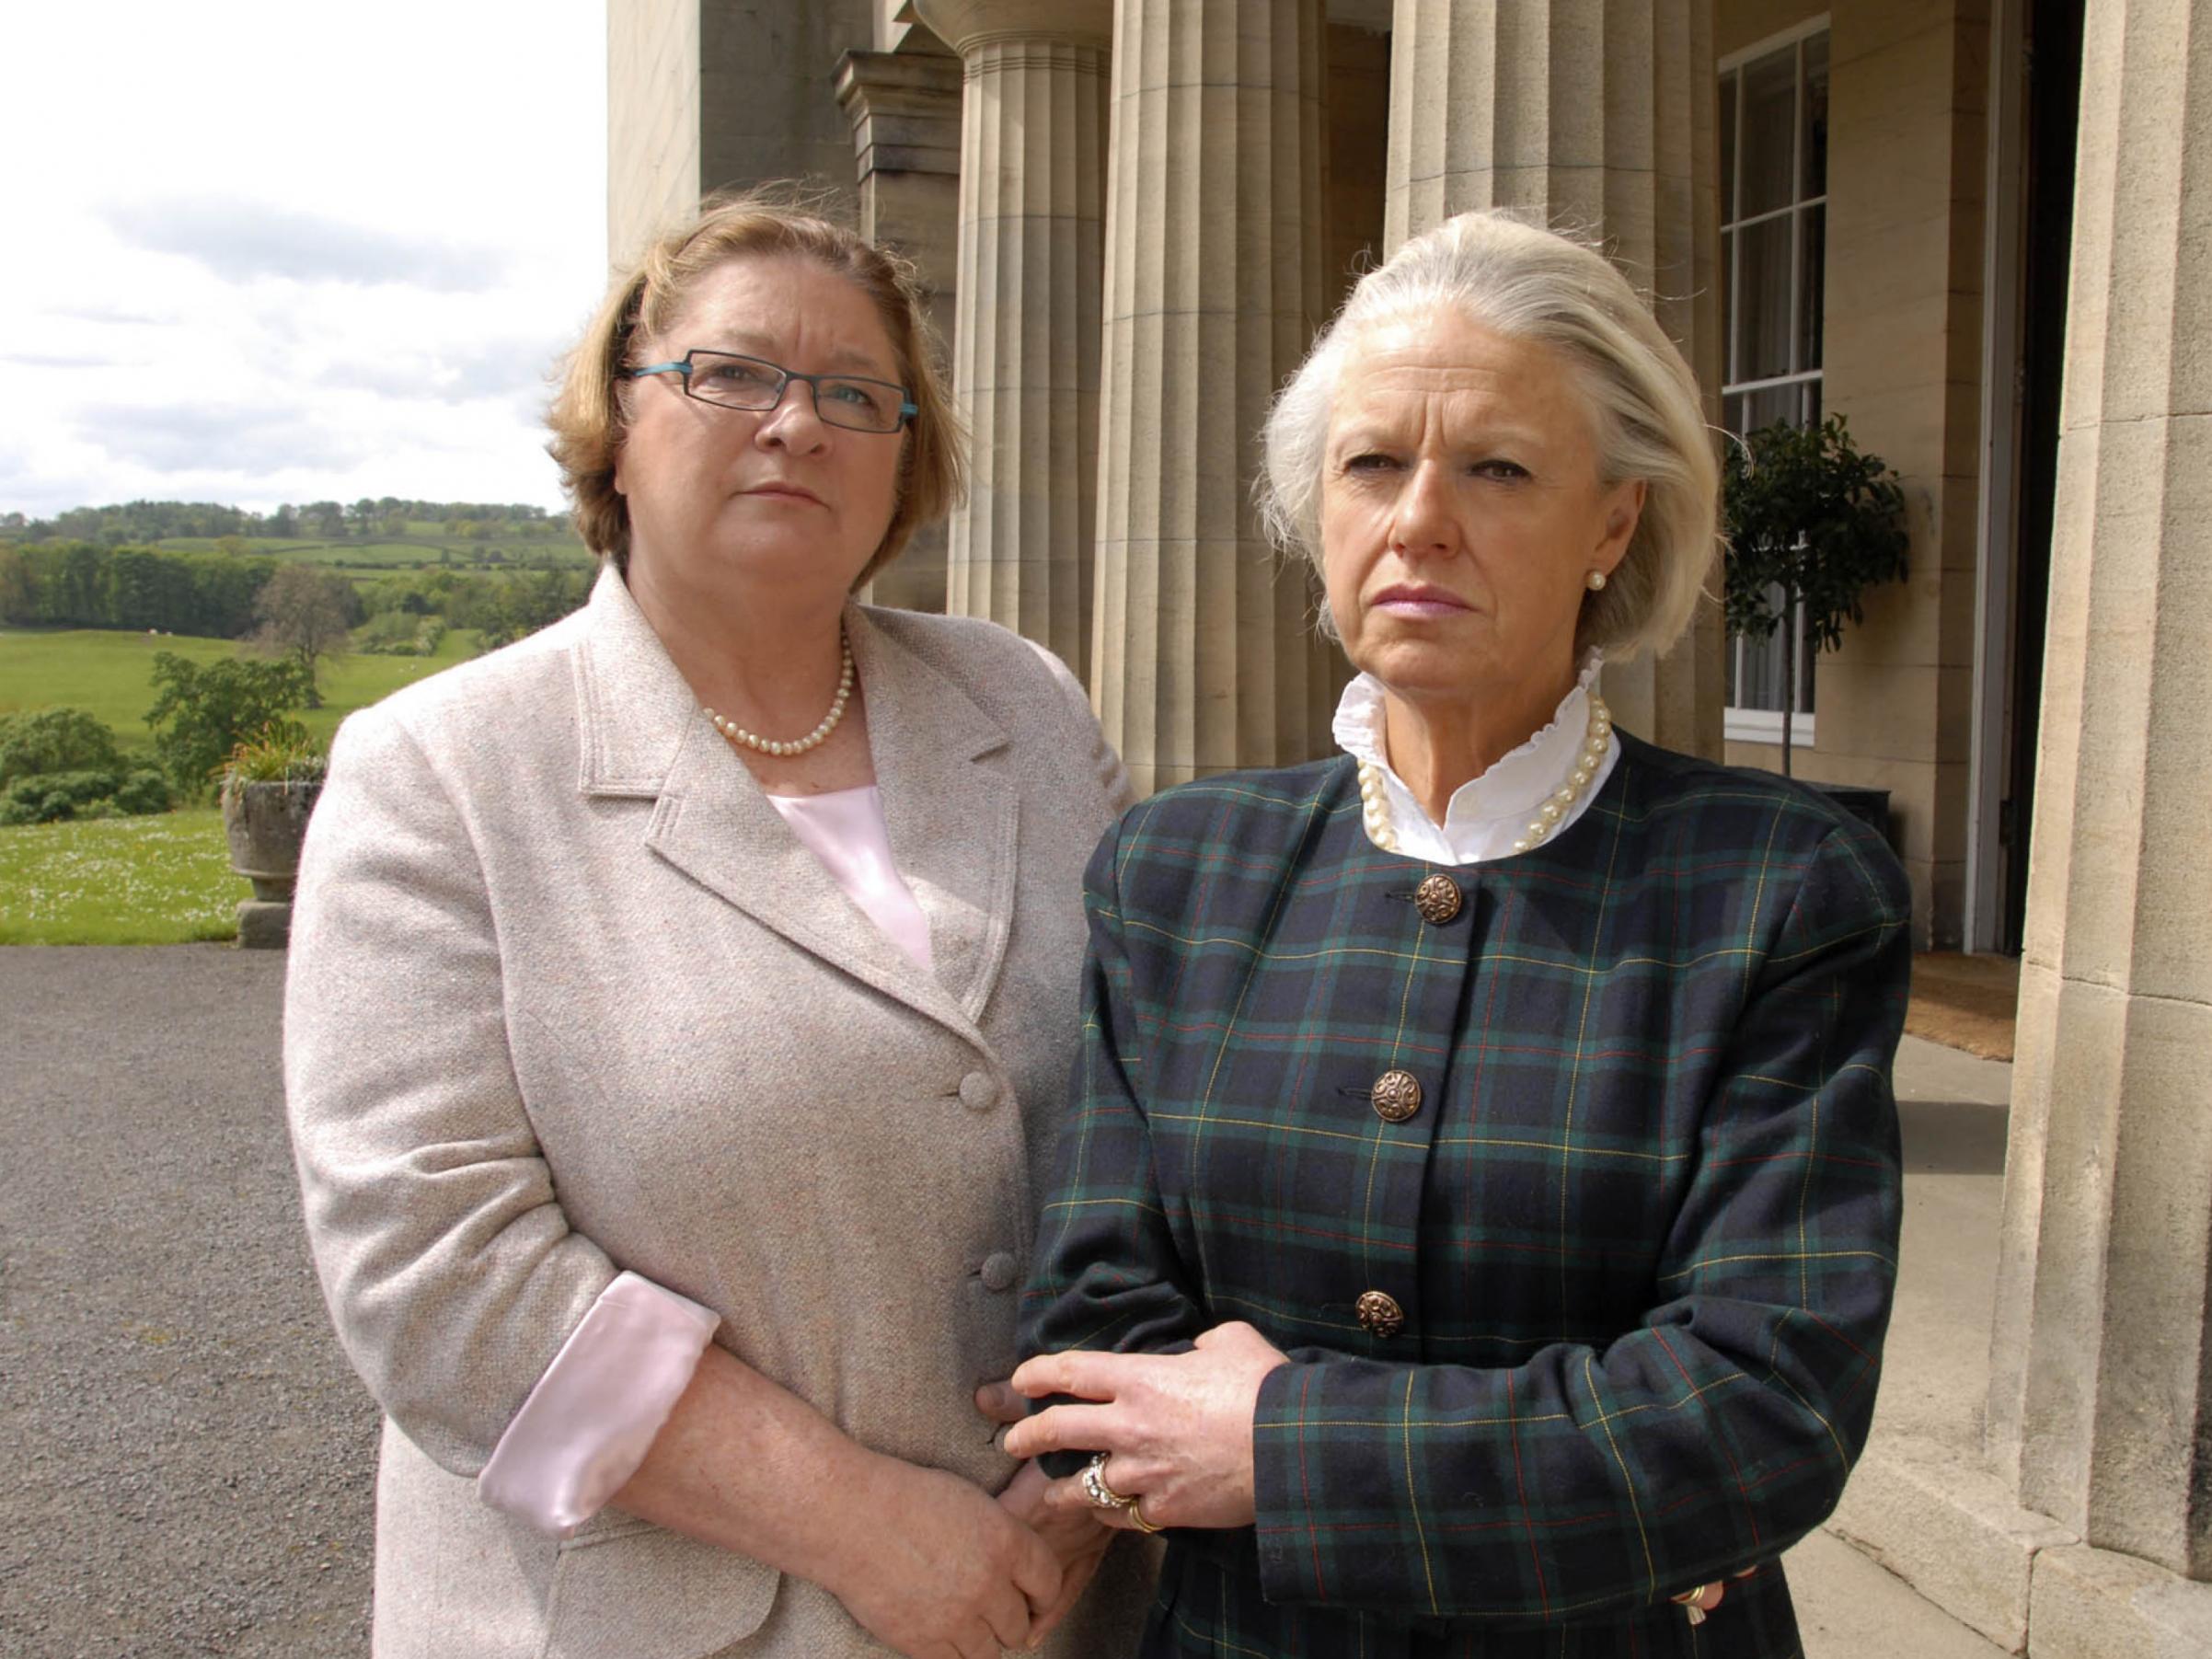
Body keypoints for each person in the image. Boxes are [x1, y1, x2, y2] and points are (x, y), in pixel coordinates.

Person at [1003, 210, 1913, 1657]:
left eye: (1496, 467)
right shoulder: (1176, 869)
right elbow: (1097, 1323)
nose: (1420, 517)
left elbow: (1762, 1408)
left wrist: (1286, 1447)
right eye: (1373, 464)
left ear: (1614, 520)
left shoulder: (1779, 890)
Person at [283, 193, 1149, 1659]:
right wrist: (865, 1524)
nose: (795, 424)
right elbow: (434, 1276)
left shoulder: (1027, 708)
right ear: (618, 423)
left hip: (1067, 1607)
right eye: (729, 373)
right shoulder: (443, 770)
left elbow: (1172, 1108)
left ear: (905, 460)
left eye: (853, 392)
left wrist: (1080, 1492)